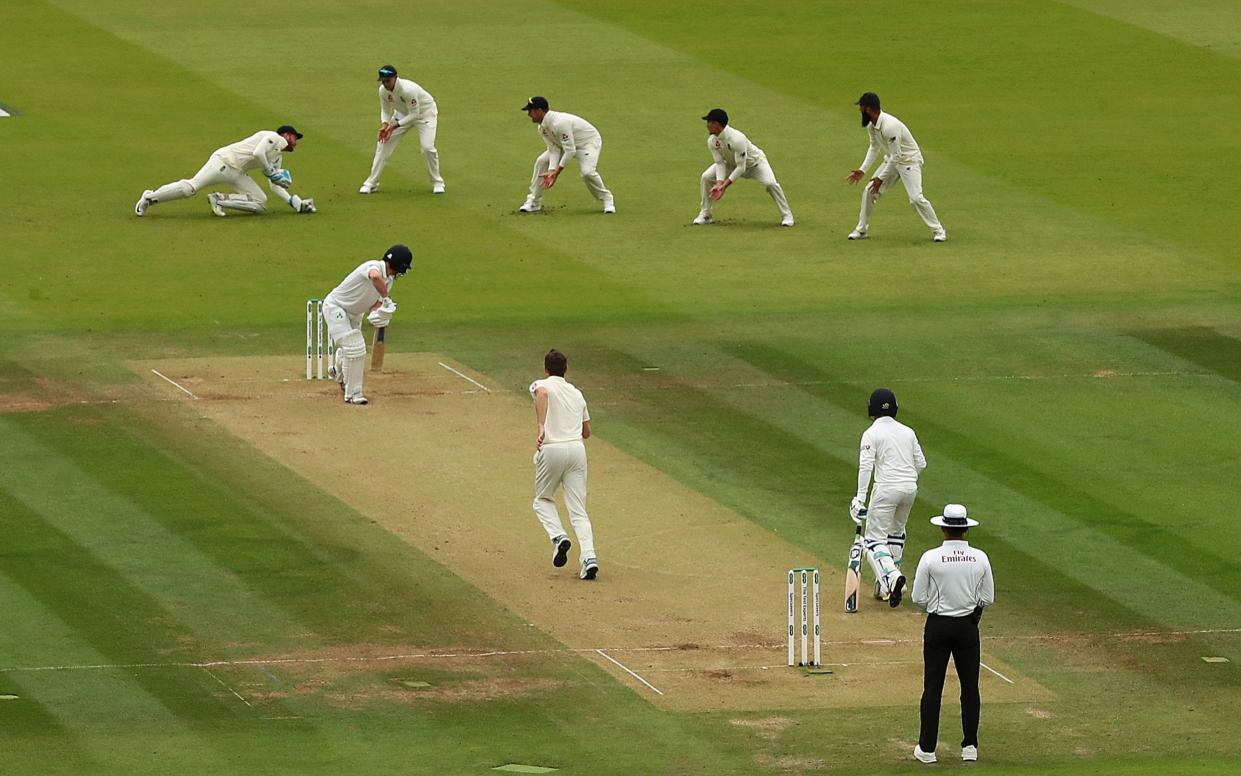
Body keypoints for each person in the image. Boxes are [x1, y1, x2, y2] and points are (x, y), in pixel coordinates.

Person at [910, 504, 995, 764]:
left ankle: (927, 749)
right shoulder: (980, 557)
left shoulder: (930, 557)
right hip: (967, 627)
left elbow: (917, 598)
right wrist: (968, 608)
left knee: (932, 687)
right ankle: (970, 747)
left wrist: (936, 607)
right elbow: (987, 597)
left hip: (938, 625)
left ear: (944, 528)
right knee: (970, 687)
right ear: (966, 529)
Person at [850, 388, 927, 607]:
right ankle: (883, 586)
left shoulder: (871, 433)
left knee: (873, 541)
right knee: (895, 534)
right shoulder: (908, 432)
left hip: (886, 488)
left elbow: (866, 466)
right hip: (910, 489)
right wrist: (907, 479)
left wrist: (859, 499)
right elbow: (921, 464)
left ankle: (892, 579)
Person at [134, 126, 316, 217]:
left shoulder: (277, 157)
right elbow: (258, 153)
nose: (295, 142)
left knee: (260, 203)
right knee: (190, 189)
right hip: (222, 162)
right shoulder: (272, 137)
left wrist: (293, 202)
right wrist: (269, 171)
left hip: (237, 173)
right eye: (294, 138)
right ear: (286, 135)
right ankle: (149, 197)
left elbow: (274, 185)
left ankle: (219, 199)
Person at [530, 349, 598, 580]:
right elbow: (587, 432)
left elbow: (541, 394)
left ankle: (559, 537)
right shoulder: (577, 394)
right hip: (577, 451)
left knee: (542, 500)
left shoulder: (542, 384)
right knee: (578, 511)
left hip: (552, 449)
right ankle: (589, 558)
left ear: (546, 368)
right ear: (566, 369)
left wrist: (541, 426)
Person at [845, 92, 946, 242]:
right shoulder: (871, 126)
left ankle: (939, 230)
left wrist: (880, 178)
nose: (859, 109)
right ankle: (861, 230)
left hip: (909, 161)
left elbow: (897, 156)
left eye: (861, 106)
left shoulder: (889, 126)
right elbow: (874, 147)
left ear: (868, 108)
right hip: (893, 159)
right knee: (869, 191)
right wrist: (863, 170)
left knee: (916, 198)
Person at [320, 244, 412, 405]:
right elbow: (375, 277)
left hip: (355, 314)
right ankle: (354, 394)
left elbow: (373, 306)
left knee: (352, 349)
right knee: (355, 346)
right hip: (336, 307)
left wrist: (383, 313)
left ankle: (337, 372)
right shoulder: (373, 266)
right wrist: (387, 298)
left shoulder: (389, 282)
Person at [694, 108, 794, 227]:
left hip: (755, 164)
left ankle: (787, 215)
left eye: (709, 122)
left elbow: (741, 167)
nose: (707, 126)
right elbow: (720, 163)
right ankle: (706, 214)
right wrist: (719, 183)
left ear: (716, 124)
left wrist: (724, 186)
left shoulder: (737, 138)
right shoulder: (712, 140)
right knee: (706, 177)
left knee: (770, 184)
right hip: (731, 164)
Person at [518, 96, 614, 214]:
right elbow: (554, 149)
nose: (528, 114)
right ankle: (533, 202)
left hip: (587, 143)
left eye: (530, 111)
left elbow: (570, 151)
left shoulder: (560, 123)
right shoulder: (542, 127)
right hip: (566, 145)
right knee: (542, 161)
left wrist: (556, 173)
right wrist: (551, 170)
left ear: (539, 111)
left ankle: (607, 199)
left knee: (587, 172)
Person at [360, 65, 444, 195]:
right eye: (383, 81)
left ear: (395, 78)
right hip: (402, 114)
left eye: (387, 80)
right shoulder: (383, 90)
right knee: (383, 143)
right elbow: (385, 109)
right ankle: (372, 182)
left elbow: (414, 114)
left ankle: (437, 182)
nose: (385, 83)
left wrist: (393, 126)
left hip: (425, 114)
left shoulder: (407, 90)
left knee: (427, 147)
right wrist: (385, 124)